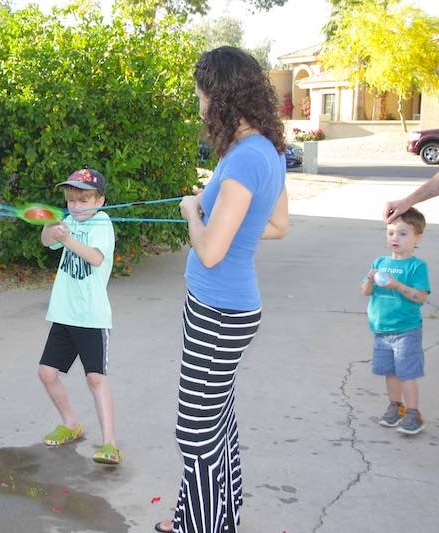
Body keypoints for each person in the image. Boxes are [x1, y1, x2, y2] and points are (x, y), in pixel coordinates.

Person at [155, 47, 289, 533]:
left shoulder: (243, 161)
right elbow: (277, 224)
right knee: (217, 425)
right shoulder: (267, 149)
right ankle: (199, 517)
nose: (198, 105)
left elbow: (210, 252)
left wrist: (195, 213)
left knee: (195, 431)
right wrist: (228, 227)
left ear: (219, 96)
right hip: (227, 308)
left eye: (200, 95)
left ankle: (207, 526)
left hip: (218, 311)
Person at [38, 168, 121, 465]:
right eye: (71, 200)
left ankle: (110, 443)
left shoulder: (103, 223)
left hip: (92, 316)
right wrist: (53, 227)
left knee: (95, 378)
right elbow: (48, 241)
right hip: (64, 312)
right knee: (47, 373)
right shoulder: (69, 220)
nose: (76, 206)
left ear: (99, 200)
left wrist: (69, 238)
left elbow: (96, 257)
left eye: (83, 200)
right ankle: (71, 423)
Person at [361, 208, 430, 435]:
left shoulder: (416, 266)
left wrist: (396, 285)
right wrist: (370, 281)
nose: (395, 238)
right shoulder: (379, 262)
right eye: (391, 233)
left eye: (402, 234)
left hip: (406, 330)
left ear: (417, 238)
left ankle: (413, 413)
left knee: (406, 373)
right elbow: (365, 291)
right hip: (381, 330)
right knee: (390, 373)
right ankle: (395, 407)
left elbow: (420, 297)